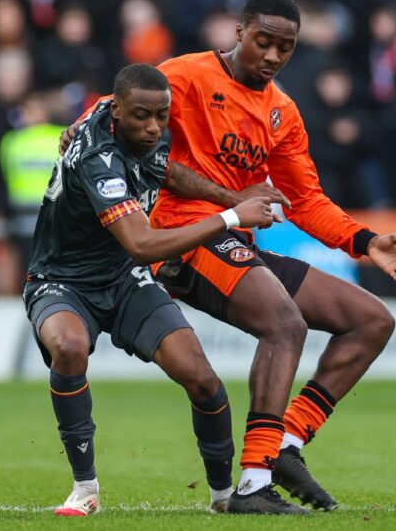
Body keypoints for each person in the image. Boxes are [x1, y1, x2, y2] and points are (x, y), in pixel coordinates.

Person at [61, 0, 396, 515]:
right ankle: (252, 483)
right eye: (263, 42)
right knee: (285, 324)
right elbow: (122, 105)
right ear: (239, 33)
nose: (272, 56)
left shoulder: (283, 113)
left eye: (285, 48)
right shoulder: (187, 76)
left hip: (234, 239)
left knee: (371, 320)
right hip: (181, 236)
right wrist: (86, 121)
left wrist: (365, 242)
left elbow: (304, 200)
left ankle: (286, 446)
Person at [24, 63, 284, 517]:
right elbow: (142, 245)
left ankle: (225, 497)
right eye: (142, 116)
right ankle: (85, 489)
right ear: (118, 110)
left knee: (201, 377)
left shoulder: (126, 114)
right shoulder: (96, 157)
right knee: (69, 347)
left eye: (161, 116)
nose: (153, 127)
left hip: (123, 279)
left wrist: (233, 195)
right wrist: (231, 218)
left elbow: (168, 171)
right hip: (62, 280)